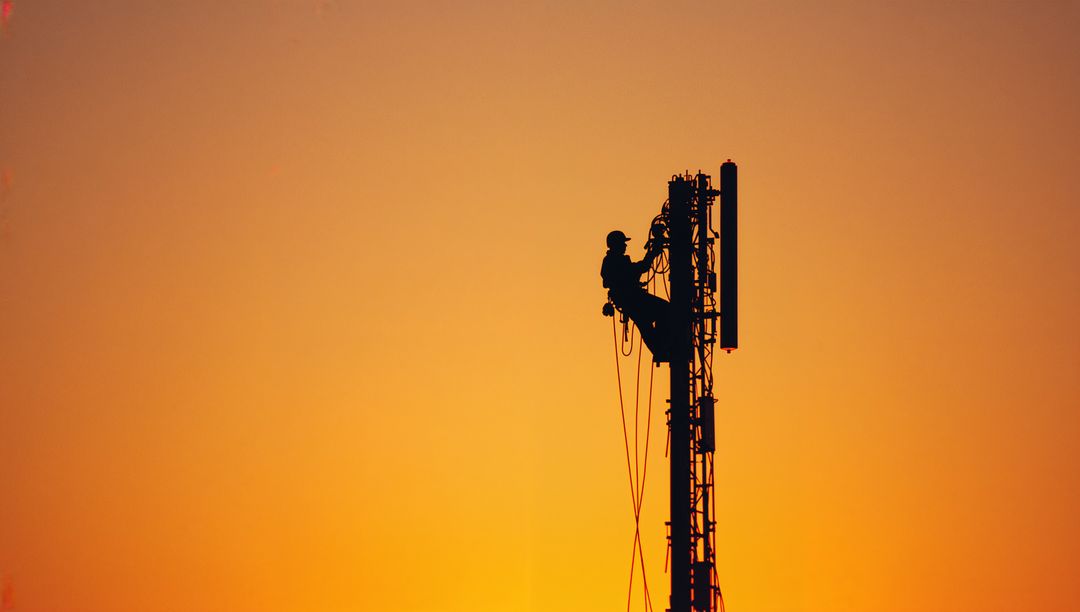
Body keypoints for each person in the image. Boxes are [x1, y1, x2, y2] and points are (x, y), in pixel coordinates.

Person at [601, 229, 671, 360]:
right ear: (616, 245)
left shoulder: (613, 261)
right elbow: (639, 269)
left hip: (630, 299)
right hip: (632, 300)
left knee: (647, 323)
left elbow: (633, 271)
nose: (625, 246)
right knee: (664, 310)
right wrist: (652, 253)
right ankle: (662, 347)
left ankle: (661, 347)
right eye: (623, 243)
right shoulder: (614, 262)